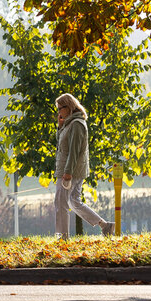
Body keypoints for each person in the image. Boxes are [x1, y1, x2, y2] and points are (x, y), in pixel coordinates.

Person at [54, 93, 115, 239]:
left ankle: (62, 237)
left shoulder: (76, 124)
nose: (58, 112)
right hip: (73, 170)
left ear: (68, 107)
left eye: (60, 109)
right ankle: (105, 226)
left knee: (61, 203)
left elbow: (74, 151)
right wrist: (60, 127)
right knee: (74, 201)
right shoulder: (70, 124)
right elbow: (61, 145)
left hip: (71, 171)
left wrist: (68, 173)